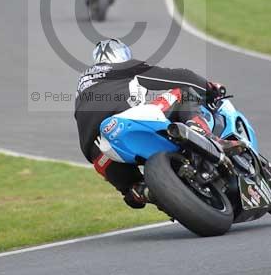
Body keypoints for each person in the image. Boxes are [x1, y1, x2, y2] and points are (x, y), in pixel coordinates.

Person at [74, 38, 245, 209]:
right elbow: (179, 77)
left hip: (98, 153)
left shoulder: (82, 84)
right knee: (184, 93)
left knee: (133, 192)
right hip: (125, 122)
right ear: (122, 55)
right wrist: (208, 87)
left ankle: (142, 191)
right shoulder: (123, 67)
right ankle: (207, 137)